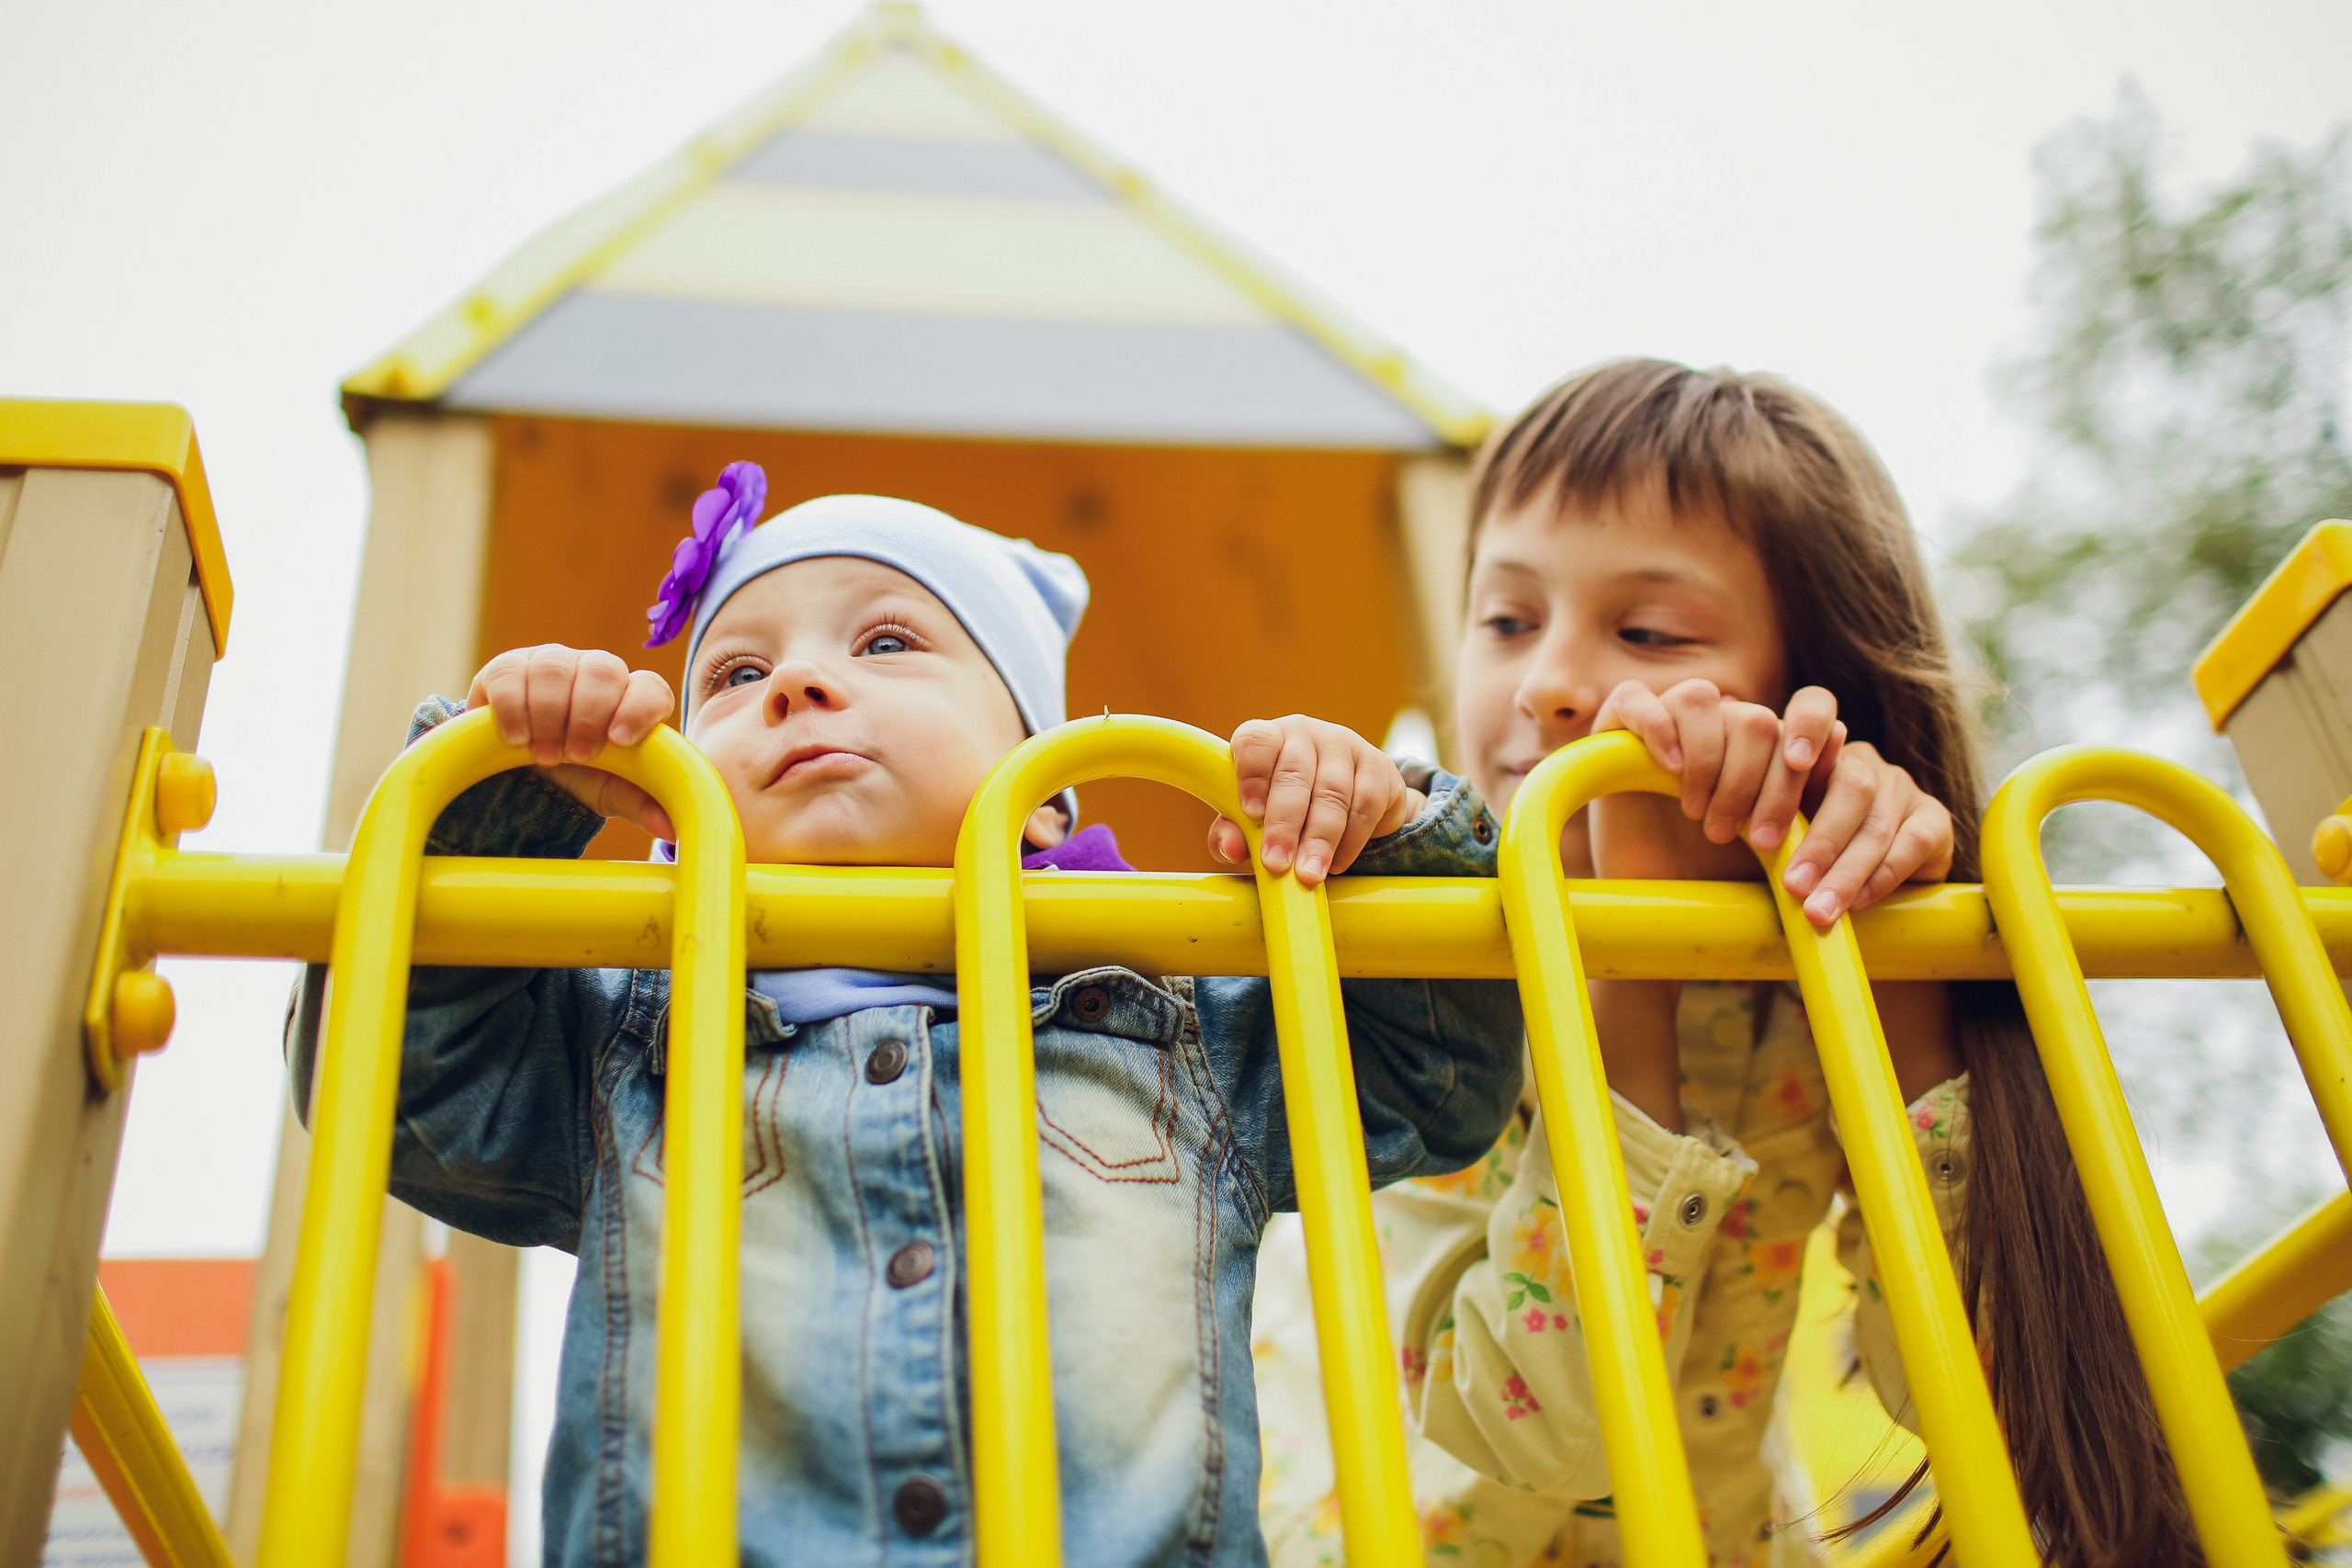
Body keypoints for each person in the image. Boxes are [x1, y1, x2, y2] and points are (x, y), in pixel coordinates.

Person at [285, 478, 1532, 1568]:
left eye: (887, 641)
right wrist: (507, 792)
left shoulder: (1174, 1034)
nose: (802, 683)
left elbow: (1435, 1077)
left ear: (1046, 795)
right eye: (735, 674)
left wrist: (1386, 833)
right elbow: (393, 1080)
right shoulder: (630, 1044)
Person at [1255, 360, 2196, 1568]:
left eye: (1644, 631)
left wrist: (1892, 950)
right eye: (1507, 620)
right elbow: (1527, 1448)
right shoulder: (1420, 962)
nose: (1546, 682)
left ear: (1814, 703)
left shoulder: (1809, 982)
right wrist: (1623, 976)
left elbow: (2000, 1405)